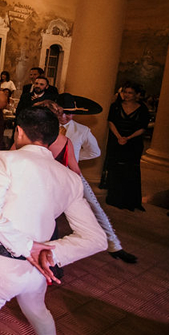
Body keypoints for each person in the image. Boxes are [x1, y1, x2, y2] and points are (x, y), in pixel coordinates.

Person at [0, 106, 107, 335]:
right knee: (37, 312)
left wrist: (30, 248)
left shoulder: (3, 159)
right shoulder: (69, 178)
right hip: (37, 270)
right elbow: (96, 239)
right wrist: (49, 253)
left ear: (19, 132)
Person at [41, 97, 137, 264]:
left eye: (71, 113)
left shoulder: (82, 130)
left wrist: (74, 158)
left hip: (73, 174)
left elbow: (95, 152)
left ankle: (115, 246)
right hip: (46, 175)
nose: (67, 116)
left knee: (95, 208)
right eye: (64, 112)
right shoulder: (45, 127)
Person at [103, 81, 149, 211]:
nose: (127, 95)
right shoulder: (115, 106)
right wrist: (119, 137)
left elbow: (143, 127)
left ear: (137, 95)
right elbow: (111, 122)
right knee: (115, 168)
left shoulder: (143, 109)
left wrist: (128, 138)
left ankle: (129, 200)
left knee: (130, 170)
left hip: (133, 143)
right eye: (125, 92)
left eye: (130, 93)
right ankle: (114, 198)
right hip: (117, 140)